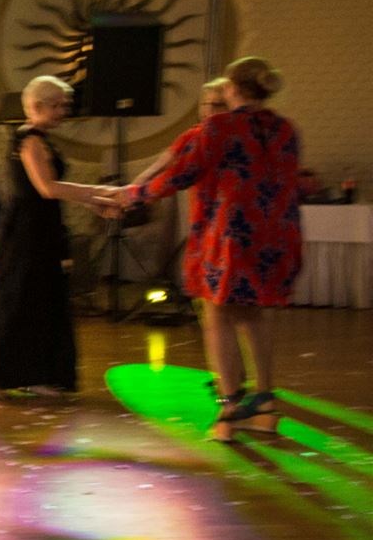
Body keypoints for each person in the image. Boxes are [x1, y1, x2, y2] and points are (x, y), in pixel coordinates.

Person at [121, 57, 302, 437]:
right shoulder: (285, 129)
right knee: (255, 314)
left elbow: (181, 174)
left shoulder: (221, 127)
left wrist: (135, 196)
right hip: (276, 237)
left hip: (231, 237)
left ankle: (229, 410)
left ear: (232, 89)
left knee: (216, 315)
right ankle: (265, 402)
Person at [0, 76, 119, 398]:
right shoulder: (29, 140)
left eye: (64, 105)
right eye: (57, 106)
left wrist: (94, 202)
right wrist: (98, 193)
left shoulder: (39, 138)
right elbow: (47, 187)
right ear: (37, 106)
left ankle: (35, 374)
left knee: (39, 300)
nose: (63, 111)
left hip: (41, 226)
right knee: (18, 298)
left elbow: (51, 190)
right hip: (26, 231)